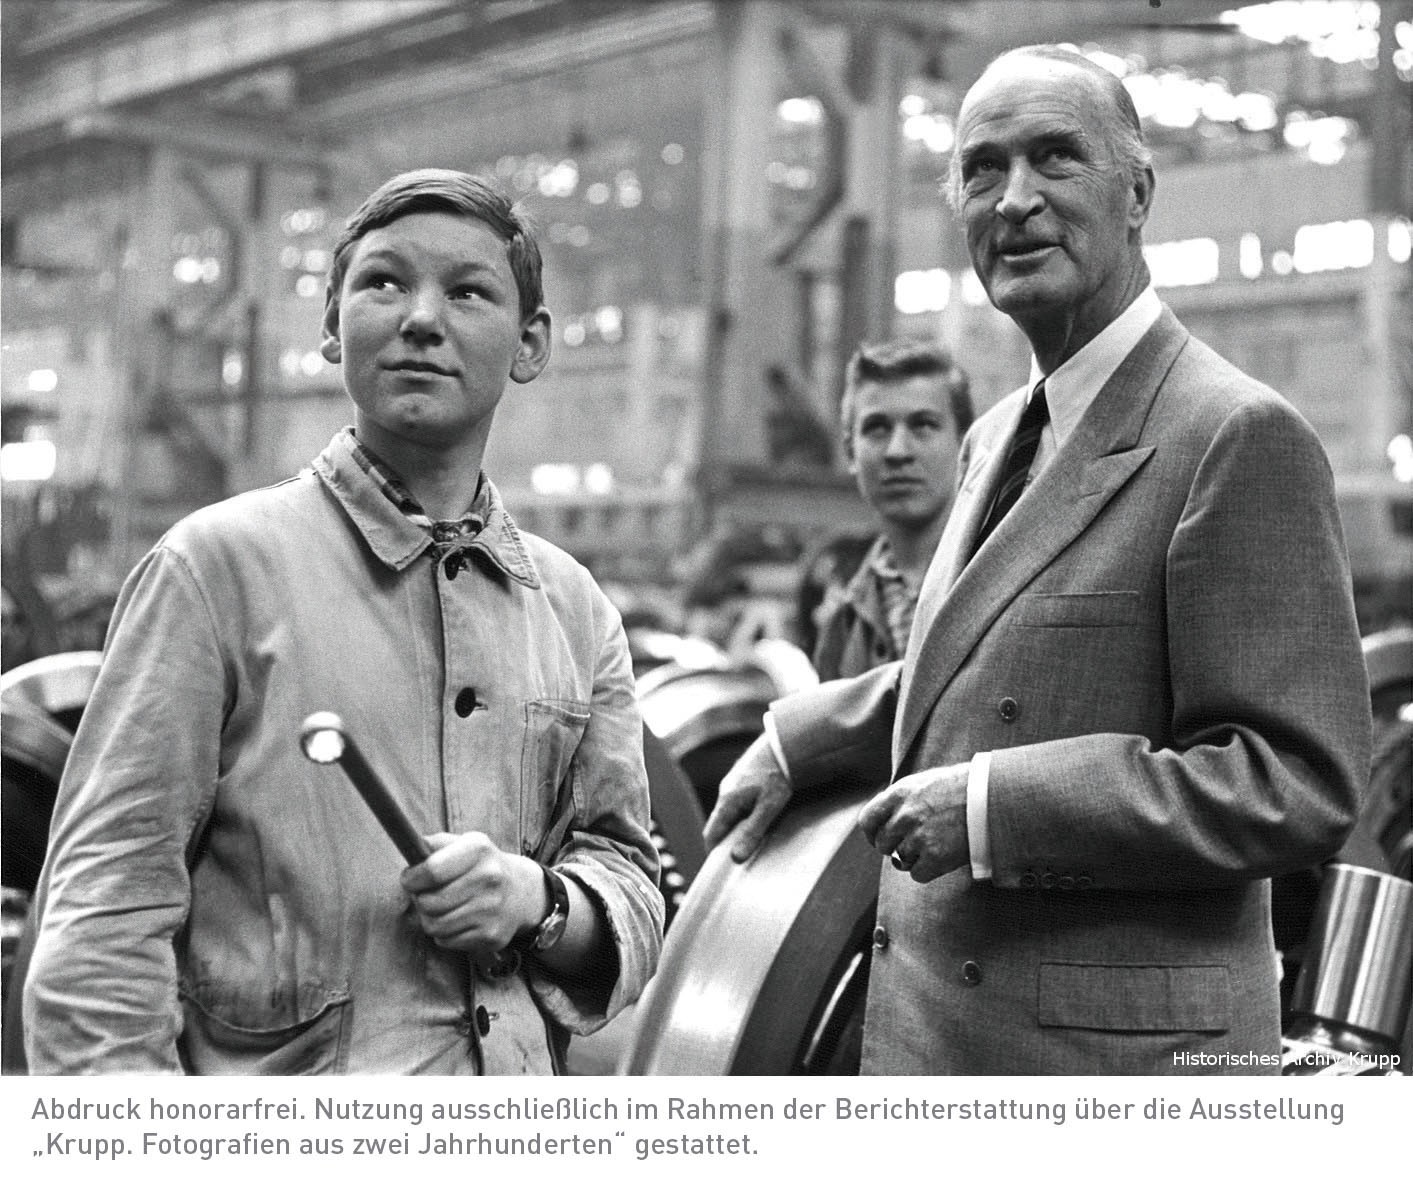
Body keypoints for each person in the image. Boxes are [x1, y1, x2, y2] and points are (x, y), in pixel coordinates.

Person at [705, 45, 1371, 1075]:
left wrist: (990, 808)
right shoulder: (997, 437)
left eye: (1056, 159)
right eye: (982, 168)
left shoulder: (1234, 435)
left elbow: (1293, 781)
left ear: (1138, 190)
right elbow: (981, 665)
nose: (1013, 201)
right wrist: (797, 742)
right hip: (940, 1045)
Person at [23, 169, 664, 1074]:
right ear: (331, 326)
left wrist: (540, 902)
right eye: (384, 282)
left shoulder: (572, 611)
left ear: (529, 343)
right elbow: (104, 918)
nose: (421, 318)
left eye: (469, 291)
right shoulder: (214, 571)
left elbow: (633, 881)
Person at [811, 341, 973, 680]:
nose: (897, 451)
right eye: (877, 428)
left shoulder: (998, 583)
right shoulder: (844, 625)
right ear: (850, 451)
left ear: (965, 443)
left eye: (923, 425)